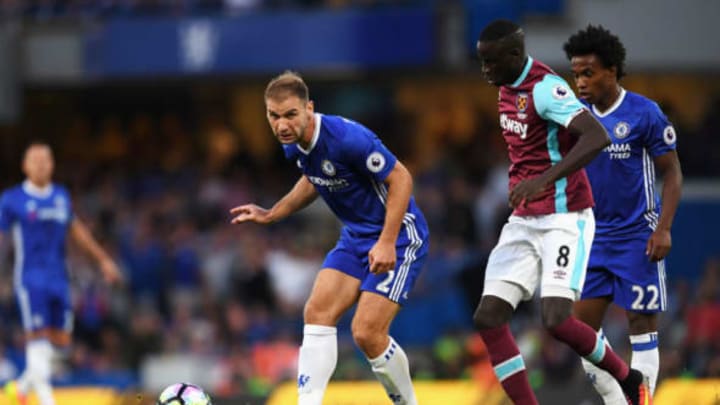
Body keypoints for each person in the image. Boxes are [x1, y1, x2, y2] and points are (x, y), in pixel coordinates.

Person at [470, 19, 651, 405]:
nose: (485, 70)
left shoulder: (546, 88)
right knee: (488, 317)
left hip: (564, 217)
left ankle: (629, 378)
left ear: (515, 55)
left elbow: (596, 136)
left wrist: (543, 180)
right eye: (481, 62)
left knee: (556, 320)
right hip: (524, 219)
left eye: (490, 62)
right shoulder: (506, 88)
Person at [230, 71, 429, 405]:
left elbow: (401, 178)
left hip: (399, 236)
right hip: (354, 238)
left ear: (309, 108)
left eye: (290, 114)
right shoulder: (292, 144)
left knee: (366, 333)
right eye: (273, 116)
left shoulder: (346, 138)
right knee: (317, 312)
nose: (281, 125)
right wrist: (273, 212)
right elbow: (313, 177)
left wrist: (385, 241)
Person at [564, 25, 683, 403]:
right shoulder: (573, 116)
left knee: (640, 324)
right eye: (576, 74)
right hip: (590, 237)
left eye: (589, 73)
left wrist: (663, 229)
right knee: (582, 332)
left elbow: (673, 173)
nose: (580, 82)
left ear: (612, 71)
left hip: (636, 237)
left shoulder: (644, 113)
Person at [0, 142, 123, 405]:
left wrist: (103, 260)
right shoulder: (12, 199)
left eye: (46, 159)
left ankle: (20, 388)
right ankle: (46, 400)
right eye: (35, 160)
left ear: (53, 165)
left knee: (61, 342)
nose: (41, 164)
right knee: (37, 339)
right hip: (31, 278)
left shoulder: (60, 196)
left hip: (59, 278)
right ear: (25, 166)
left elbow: (78, 232)